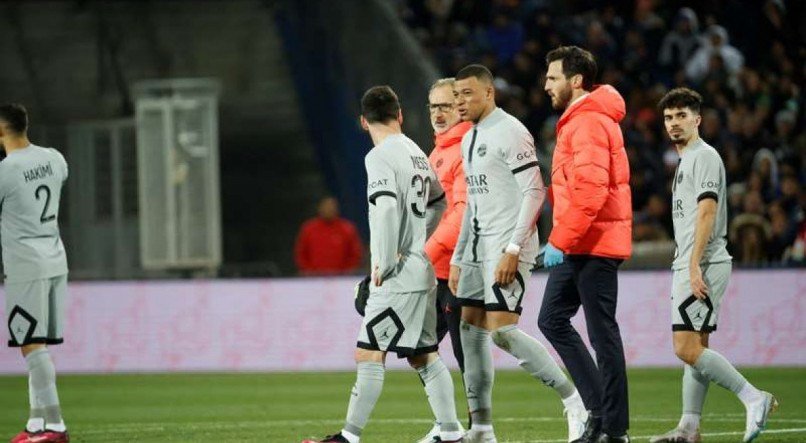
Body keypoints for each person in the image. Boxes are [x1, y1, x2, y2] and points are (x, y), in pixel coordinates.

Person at [302, 86, 461, 443]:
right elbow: (440, 200)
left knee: (369, 352)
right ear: (400, 114)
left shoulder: (379, 156)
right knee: (424, 355)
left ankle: (349, 436)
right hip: (422, 271)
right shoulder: (416, 152)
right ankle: (451, 432)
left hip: (398, 276)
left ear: (363, 121)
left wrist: (386, 260)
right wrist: (420, 242)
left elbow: (387, 207)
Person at [449, 64, 588, 443]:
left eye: (467, 94)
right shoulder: (468, 138)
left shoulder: (510, 131)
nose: (460, 102)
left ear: (489, 92)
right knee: (469, 330)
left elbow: (534, 191)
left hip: (508, 245)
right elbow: (473, 205)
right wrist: (460, 256)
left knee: (502, 332)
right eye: (456, 95)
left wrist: (512, 248)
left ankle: (574, 400)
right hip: (478, 248)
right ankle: (481, 428)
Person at [649, 88, 777, 443]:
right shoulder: (686, 160)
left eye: (681, 116)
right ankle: (689, 428)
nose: (674, 123)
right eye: (669, 118)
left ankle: (754, 397)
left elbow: (707, 211)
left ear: (697, 120)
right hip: (695, 262)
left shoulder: (703, 157)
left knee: (685, 347)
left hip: (702, 263)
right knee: (697, 347)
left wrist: (692, 266)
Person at [537, 45, 632, 443]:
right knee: (552, 319)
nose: (545, 85)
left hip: (593, 243)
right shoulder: (578, 120)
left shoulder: (589, 121)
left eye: (553, 77)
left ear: (576, 81)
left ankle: (614, 430)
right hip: (581, 242)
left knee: (602, 335)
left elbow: (591, 191)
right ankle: (599, 412)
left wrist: (559, 238)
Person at [0, 104, 70, 443]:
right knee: (36, 344)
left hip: (25, 265)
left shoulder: (6, 170)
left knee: (30, 345)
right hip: (55, 259)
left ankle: (55, 425)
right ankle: (35, 425)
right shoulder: (54, 158)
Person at [418, 77, 474, 443]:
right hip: (433, 268)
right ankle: (447, 424)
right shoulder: (435, 152)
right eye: (433, 106)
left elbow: (461, 213)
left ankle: (476, 427)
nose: (439, 113)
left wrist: (425, 253)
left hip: (457, 267)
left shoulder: (466, 149)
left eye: (446, 105)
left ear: (460, 106)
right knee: (420, 348)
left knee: (467, 352)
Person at [294, 196, 363, 275]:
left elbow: (356, 253)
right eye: (326, 206)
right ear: (320, 208)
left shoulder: (347, 229)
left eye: (331, 206)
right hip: (313, 279)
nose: (329, 209)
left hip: (342, 278)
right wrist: (307, 270)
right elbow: (300, 252)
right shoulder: (309, 228)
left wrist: (348, 271)